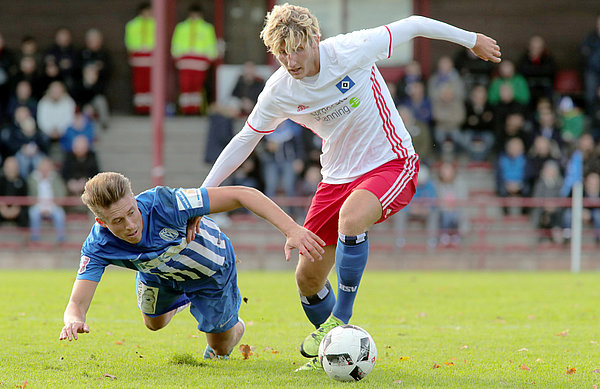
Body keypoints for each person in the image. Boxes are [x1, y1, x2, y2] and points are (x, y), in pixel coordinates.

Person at [199, 3, 501, 369]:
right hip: (336, 177)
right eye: (281, 53)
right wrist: (201, 196)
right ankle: (334, 349)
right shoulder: (278, 90)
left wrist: (472, 40)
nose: (290, 60)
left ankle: (341, 318)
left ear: (315, 40)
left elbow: (415, 22)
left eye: (296, 48)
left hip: (391, 161)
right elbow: (245, 139)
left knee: (352, 217)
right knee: (307, 277)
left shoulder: (351, 49)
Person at [58, 172, 325, 361]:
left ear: (135, 199)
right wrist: (74, 320)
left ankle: (235, 325)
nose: (129, 224)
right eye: (117, 221)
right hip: (159, 275)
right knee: (153, 324)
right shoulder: (98, 245)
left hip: (210, 270)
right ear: (101, 222)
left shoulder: (167, 203)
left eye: (131, 212)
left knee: (220, 349)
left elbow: (243, 195)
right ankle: (184, 301)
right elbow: (77, 304)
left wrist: (292, 229)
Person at [171, 3, 218, 115]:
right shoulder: (181, 27)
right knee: (185, 86)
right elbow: (175, 44)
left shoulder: (207, 28)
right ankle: (185, 109)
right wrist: (177, 57)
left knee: (197, 86)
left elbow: (211, 45)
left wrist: (209, 59)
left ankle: (196, 109)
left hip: (200, 62)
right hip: (185, 62)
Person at [27, 157, 67, 243]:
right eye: (43, 167)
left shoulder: (56, 178)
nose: (45, 169)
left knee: (60, 214)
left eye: (47, 167)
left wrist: (55, 203)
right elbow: (29, 194)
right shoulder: (32, 178)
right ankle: (35, 239)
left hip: (53, 204)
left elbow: (61, 192)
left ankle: (61, 239)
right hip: (37, 204)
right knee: (33, 214)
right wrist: (37, 203)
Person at [125, 2, 155, 114]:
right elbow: (129, 42)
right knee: (139, 84)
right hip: (138, 58)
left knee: (150, 84)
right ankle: (140, 108)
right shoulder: (132, 25)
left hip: (151, 58)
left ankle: (151, 108)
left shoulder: (155, 24)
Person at [581, 13, 600, 113]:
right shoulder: (590, 38)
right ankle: (591, 117)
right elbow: (584, 53)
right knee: (590, 96)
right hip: (592, 71)